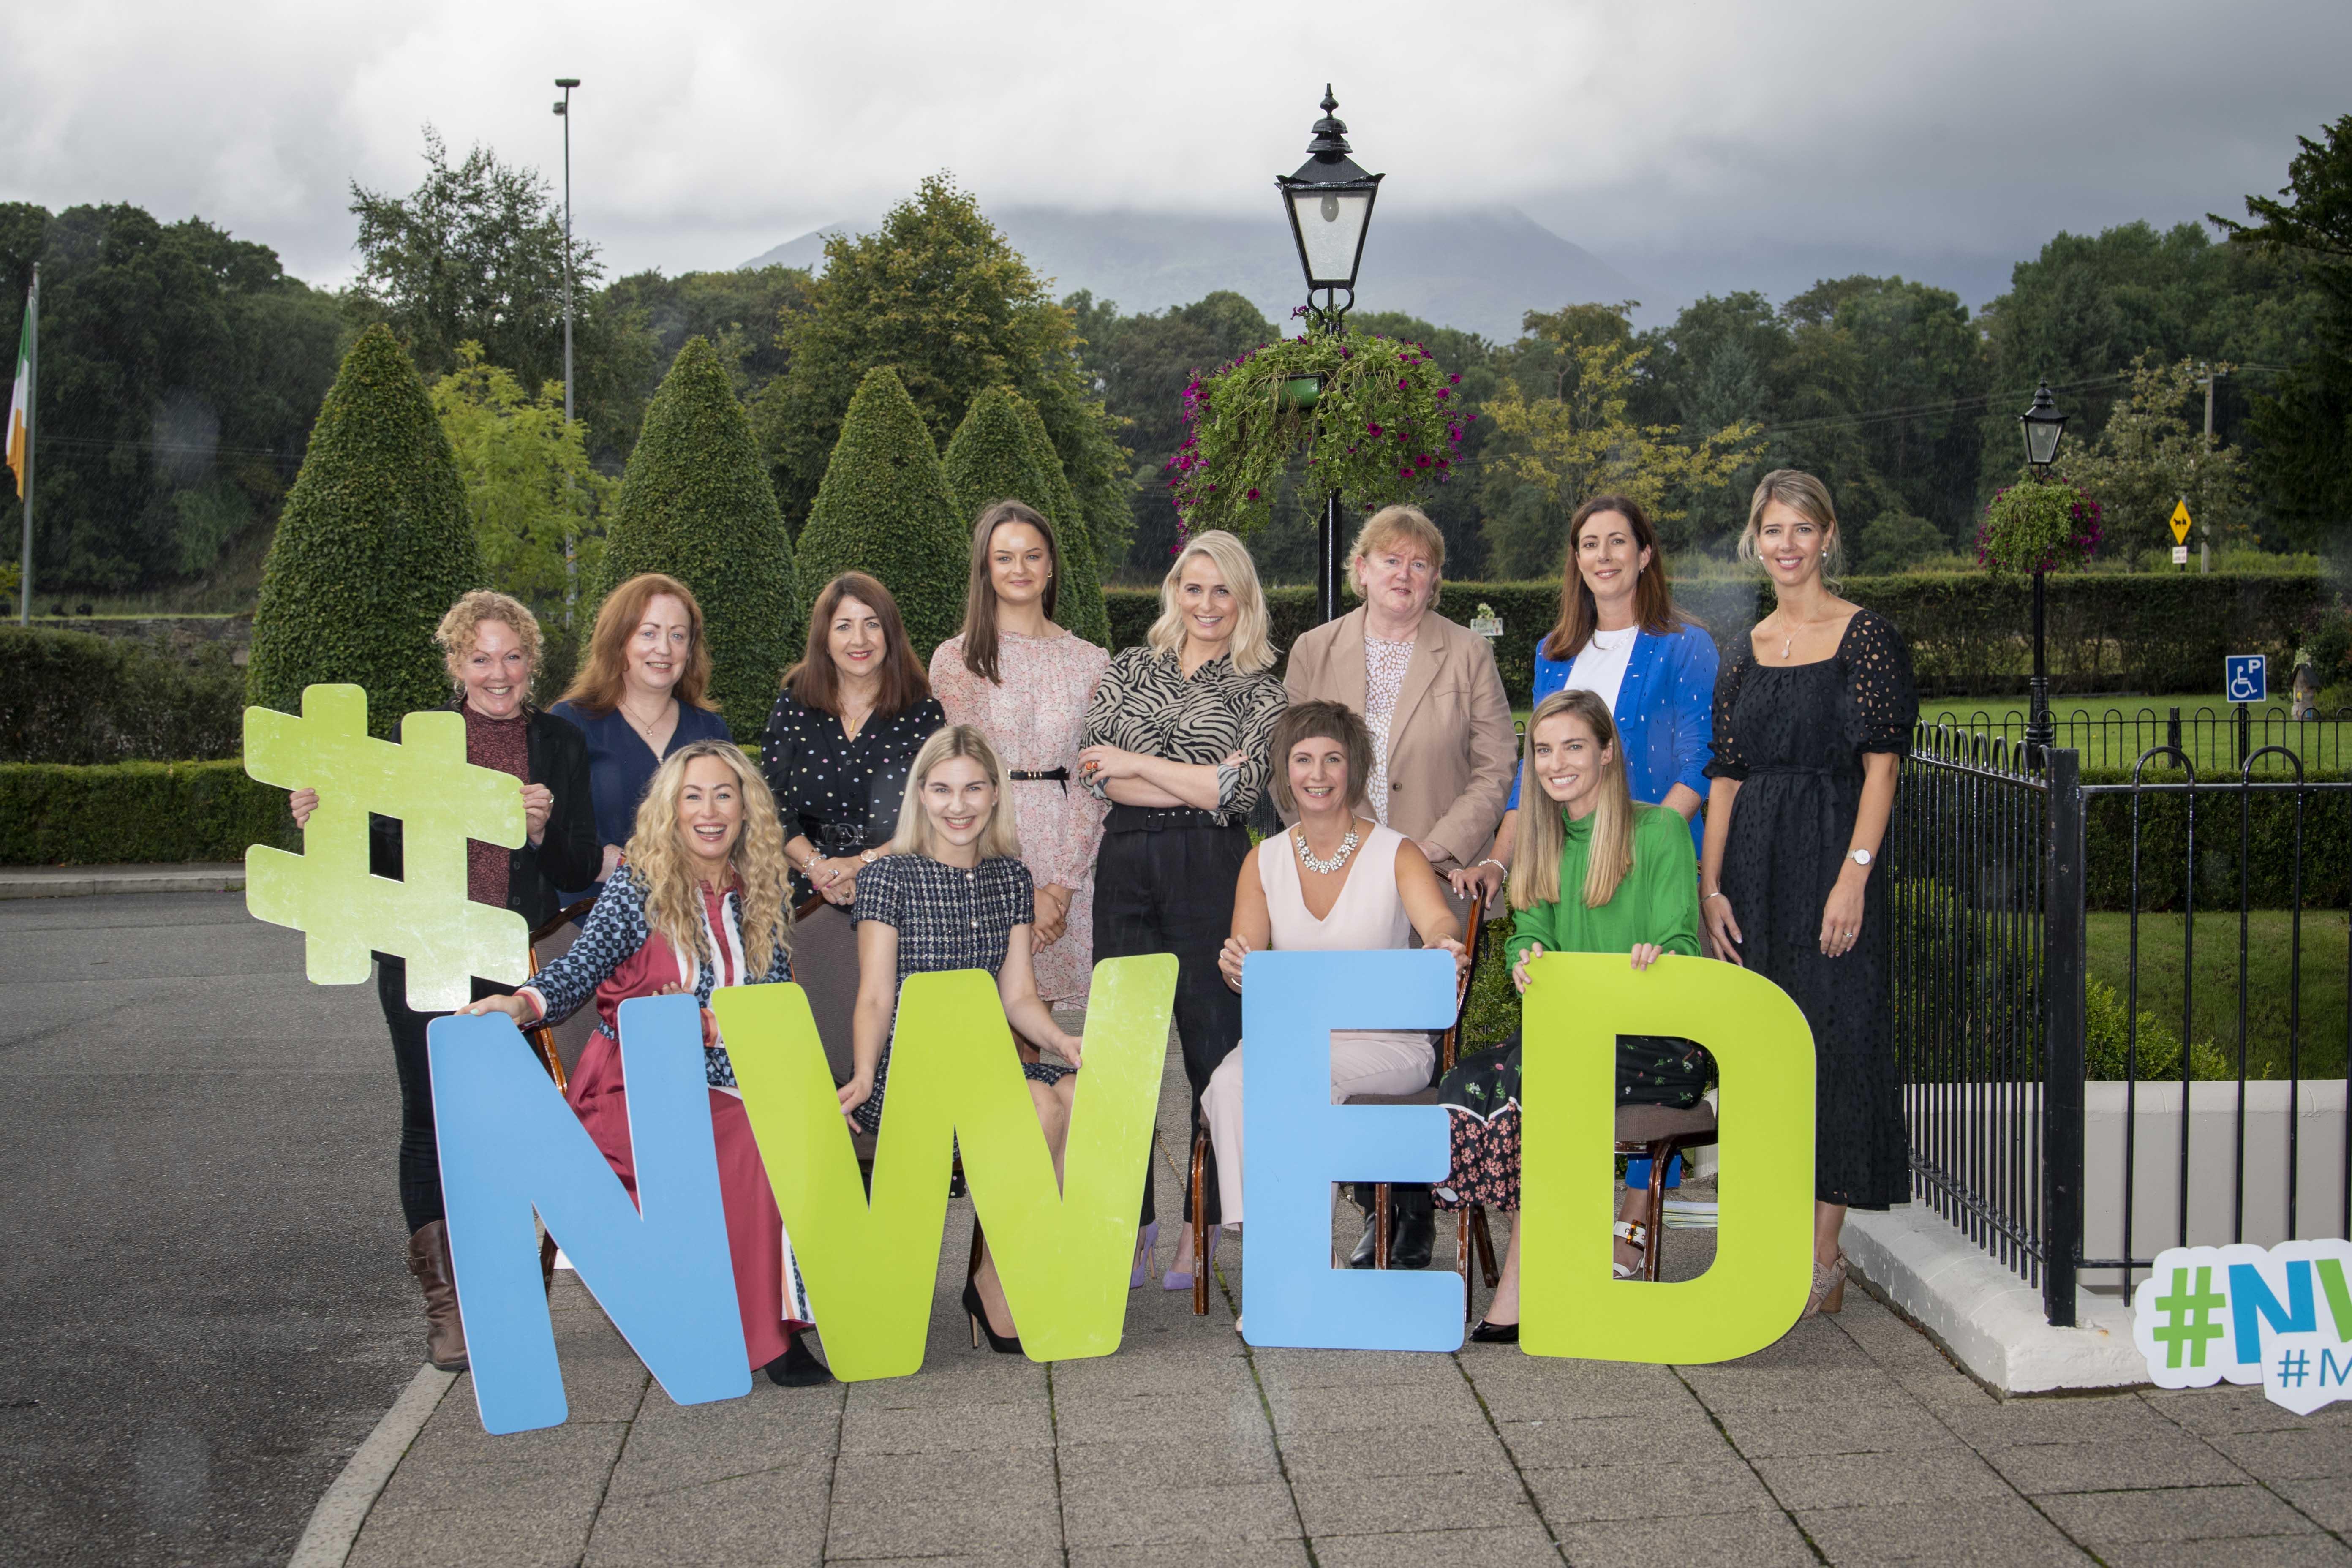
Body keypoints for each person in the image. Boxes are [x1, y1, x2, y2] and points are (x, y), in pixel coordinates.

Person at [286, 590, 600, 1372]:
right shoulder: (415, 740)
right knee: (430, 1117)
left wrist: (541, 829)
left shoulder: (557, 742)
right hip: (422, 953)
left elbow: (573, 867)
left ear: (533, 662)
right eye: (481, 657)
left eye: (513, 656)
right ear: (456, 663)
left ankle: (510, 1277)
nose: (499, 673)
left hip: (514, 952)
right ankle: (449, 1304)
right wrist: (324, 815)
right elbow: (375, 856)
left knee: (529, 1116)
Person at [461, 740, 830, 1386]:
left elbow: (769, 1008)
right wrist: (522, 1006)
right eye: (693, 796)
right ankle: (769, 1340)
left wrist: (710, 1023)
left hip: (740, 1073)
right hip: (638, 1086)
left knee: (787, 1126)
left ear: (747, 810)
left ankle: (765, 1319)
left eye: (724, 795)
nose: (709, 811)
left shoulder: (762, 892)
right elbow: (579, 970)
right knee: (750, 1138)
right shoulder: (643, 887)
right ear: (671, 810)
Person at [1462, 495, 1721, 1211]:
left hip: (1648, 858)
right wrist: (1502, 858)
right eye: (1588, 544)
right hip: (1566, 860)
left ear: (1644, 554)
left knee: (1644, 1031)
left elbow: (1700, 757)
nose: (1602, 556)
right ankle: (1564, 1214)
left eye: (1617, 542)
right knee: (1577, 1044)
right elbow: (1535, 768)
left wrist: (1636, 846)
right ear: (1575, 560)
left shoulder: (1684, 646)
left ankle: (1637, 1218)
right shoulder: (1555, 652)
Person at [1701, 469, 1917, 1318]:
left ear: (1828, 536)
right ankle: (1771, 1228)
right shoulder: (1743, 649)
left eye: (1803, 529)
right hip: (1755, 866)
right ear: (1755, 541)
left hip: (1832, 854)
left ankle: (1822, 1255)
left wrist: (1855, 875)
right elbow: (1725, 777)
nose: (1787, 545)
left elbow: (1883, 765)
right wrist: (1711, 883)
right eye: (1773, 531)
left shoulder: (1866, 637)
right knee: (1766, 1051)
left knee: (1837, 1038)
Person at [1435, 689, 1712, 1342]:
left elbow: (1683, 943)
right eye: (1544, 750)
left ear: (1608, 753)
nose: (1556, 763)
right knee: (1464, 1087)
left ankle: (1521, 1287)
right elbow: (1527, 934)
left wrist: (1659, 957)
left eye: (1574, 747)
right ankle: (1558, 1250)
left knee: (1541, 1081)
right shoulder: (1540, 840)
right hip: (1570, 1033)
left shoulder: (1660, 831)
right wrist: (1526, 957)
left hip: (1658, 1041)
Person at [1281, 503, 1516, 1268]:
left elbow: (1495, 767)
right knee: (1335, 1037)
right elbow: (1293, 761)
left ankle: (1408, 1209)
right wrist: (1344, 854)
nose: (1404, 575)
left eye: (1419, 564)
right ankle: (1368, 1200)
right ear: (1360, 570)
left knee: (1410, 1039)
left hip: (1433, 876)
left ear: (1436, 580)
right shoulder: (1315, 649)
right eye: (1390, 560)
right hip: (1333, 880)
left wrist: (1426, 850)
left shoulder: (1466, 654)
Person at [1079, 528, 1287, 1290]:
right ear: (1174, 590)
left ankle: (1200, 1231)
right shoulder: (1129, 667)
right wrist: (1179, 774)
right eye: (1192, 587)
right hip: (1127, 860)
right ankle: (1132, 1224)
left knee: (1211, 1048)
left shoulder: (1263, 688)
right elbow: (1098, 772)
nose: (1205, 604)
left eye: (1221, 590)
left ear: (1243, 600)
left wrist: (1139, 762)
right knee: (1121, 1053)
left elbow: (1241, 795)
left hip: (1213, 868)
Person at [838, 725, 1085, 1354]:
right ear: (921, 795)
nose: (959, 805)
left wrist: (1062, 1040)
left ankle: (1003, 1273)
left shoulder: (1010, 878)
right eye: (944, 789)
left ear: (996, 795)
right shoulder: (889, 877)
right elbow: (875, 995)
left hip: (985, 1064)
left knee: (1081, 1093)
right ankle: (1002, 1286)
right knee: (1035, 1106)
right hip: (909, 1071)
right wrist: (864, 1072)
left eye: (974, 788)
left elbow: (1018, 997)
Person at [1200, 702, 1468, 1246]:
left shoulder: (1398, 852)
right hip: (1293, 1039)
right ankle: (1269, 1240)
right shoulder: (1264, 860)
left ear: (1355, 768)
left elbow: (1438, 921)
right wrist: (1237, 968)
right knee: (1229, 1080)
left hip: (1386, 1045)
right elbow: (1243, 965)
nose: (1317, 775)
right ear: (1285, 771)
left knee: (1301, 1081)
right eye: (1303, 759)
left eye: (1332, 759)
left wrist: (1444, 941)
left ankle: (1298, 1247)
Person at [928, 501, 1111, 1007]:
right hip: (982, 849)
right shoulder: (957, 659)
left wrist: (1062, 887)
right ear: (985, 568)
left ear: (1051, 564)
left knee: (1036, 1022)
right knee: (984, 1020)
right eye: (1004, 557)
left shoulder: (1091, 661)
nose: (1020, 570)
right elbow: (957, 781)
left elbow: (1094, 780)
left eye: (1032, 556)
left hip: (1064, 851)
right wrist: (1013, 885)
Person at [762, 572, 947, 908]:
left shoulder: (924, 714)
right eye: (844, 626)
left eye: (872, 624)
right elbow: (769, 804)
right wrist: (817, 868)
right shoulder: (793, 706)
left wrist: (860, 865)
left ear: (890, 634)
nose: (859, 639)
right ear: (825, 639)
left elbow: (935, 813)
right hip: (802, 894)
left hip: (898, 889)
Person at [549, 573, 735, 905]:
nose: (664, 649)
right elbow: (555, 836)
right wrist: (644, 869)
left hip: (694, 923)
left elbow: (736, 827)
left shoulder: (711, 731)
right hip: (592, 926)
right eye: (648, 633)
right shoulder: (570, 724)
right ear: (619, 642)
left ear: (690, 650)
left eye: (678, 636)